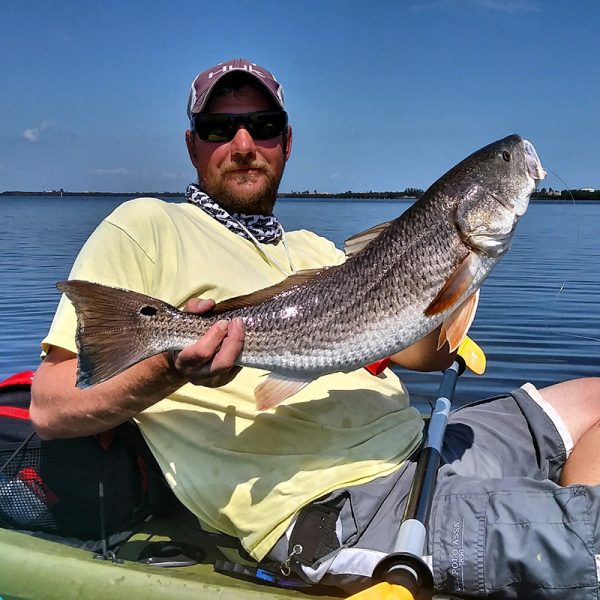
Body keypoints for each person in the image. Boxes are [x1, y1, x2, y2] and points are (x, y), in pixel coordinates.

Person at [30, 58, 600, 598]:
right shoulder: (146, 226)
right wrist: (168, 367)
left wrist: (454, 272)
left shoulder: (315, 249)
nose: (244, 144)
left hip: (418, 444)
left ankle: (554, 520)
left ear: (287, 140)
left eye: (264, 124)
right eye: (219, 127)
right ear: (191, 144)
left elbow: (422, 356)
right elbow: (51, 408)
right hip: (341, 502)